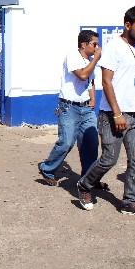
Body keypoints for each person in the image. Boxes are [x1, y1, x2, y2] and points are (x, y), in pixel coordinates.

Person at [77, 6, 135, 218]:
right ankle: (85, 185)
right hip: (113, 114)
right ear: (128, 25)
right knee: (110, 159)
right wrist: (117, 113)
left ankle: (130, 202)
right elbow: (106, 81)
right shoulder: (114, 47)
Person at [38, 30, 103, 187]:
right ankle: (47, 169)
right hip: (69, 106)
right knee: (66, 142)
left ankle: (89, 178)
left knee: (91, 143)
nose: (97, 47)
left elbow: (90, 81)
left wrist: (93, 98)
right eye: (94, 44)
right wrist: (96, 60)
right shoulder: (73, 56)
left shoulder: (90, 60)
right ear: (83, 44)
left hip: (86, 107)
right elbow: (82, 75)